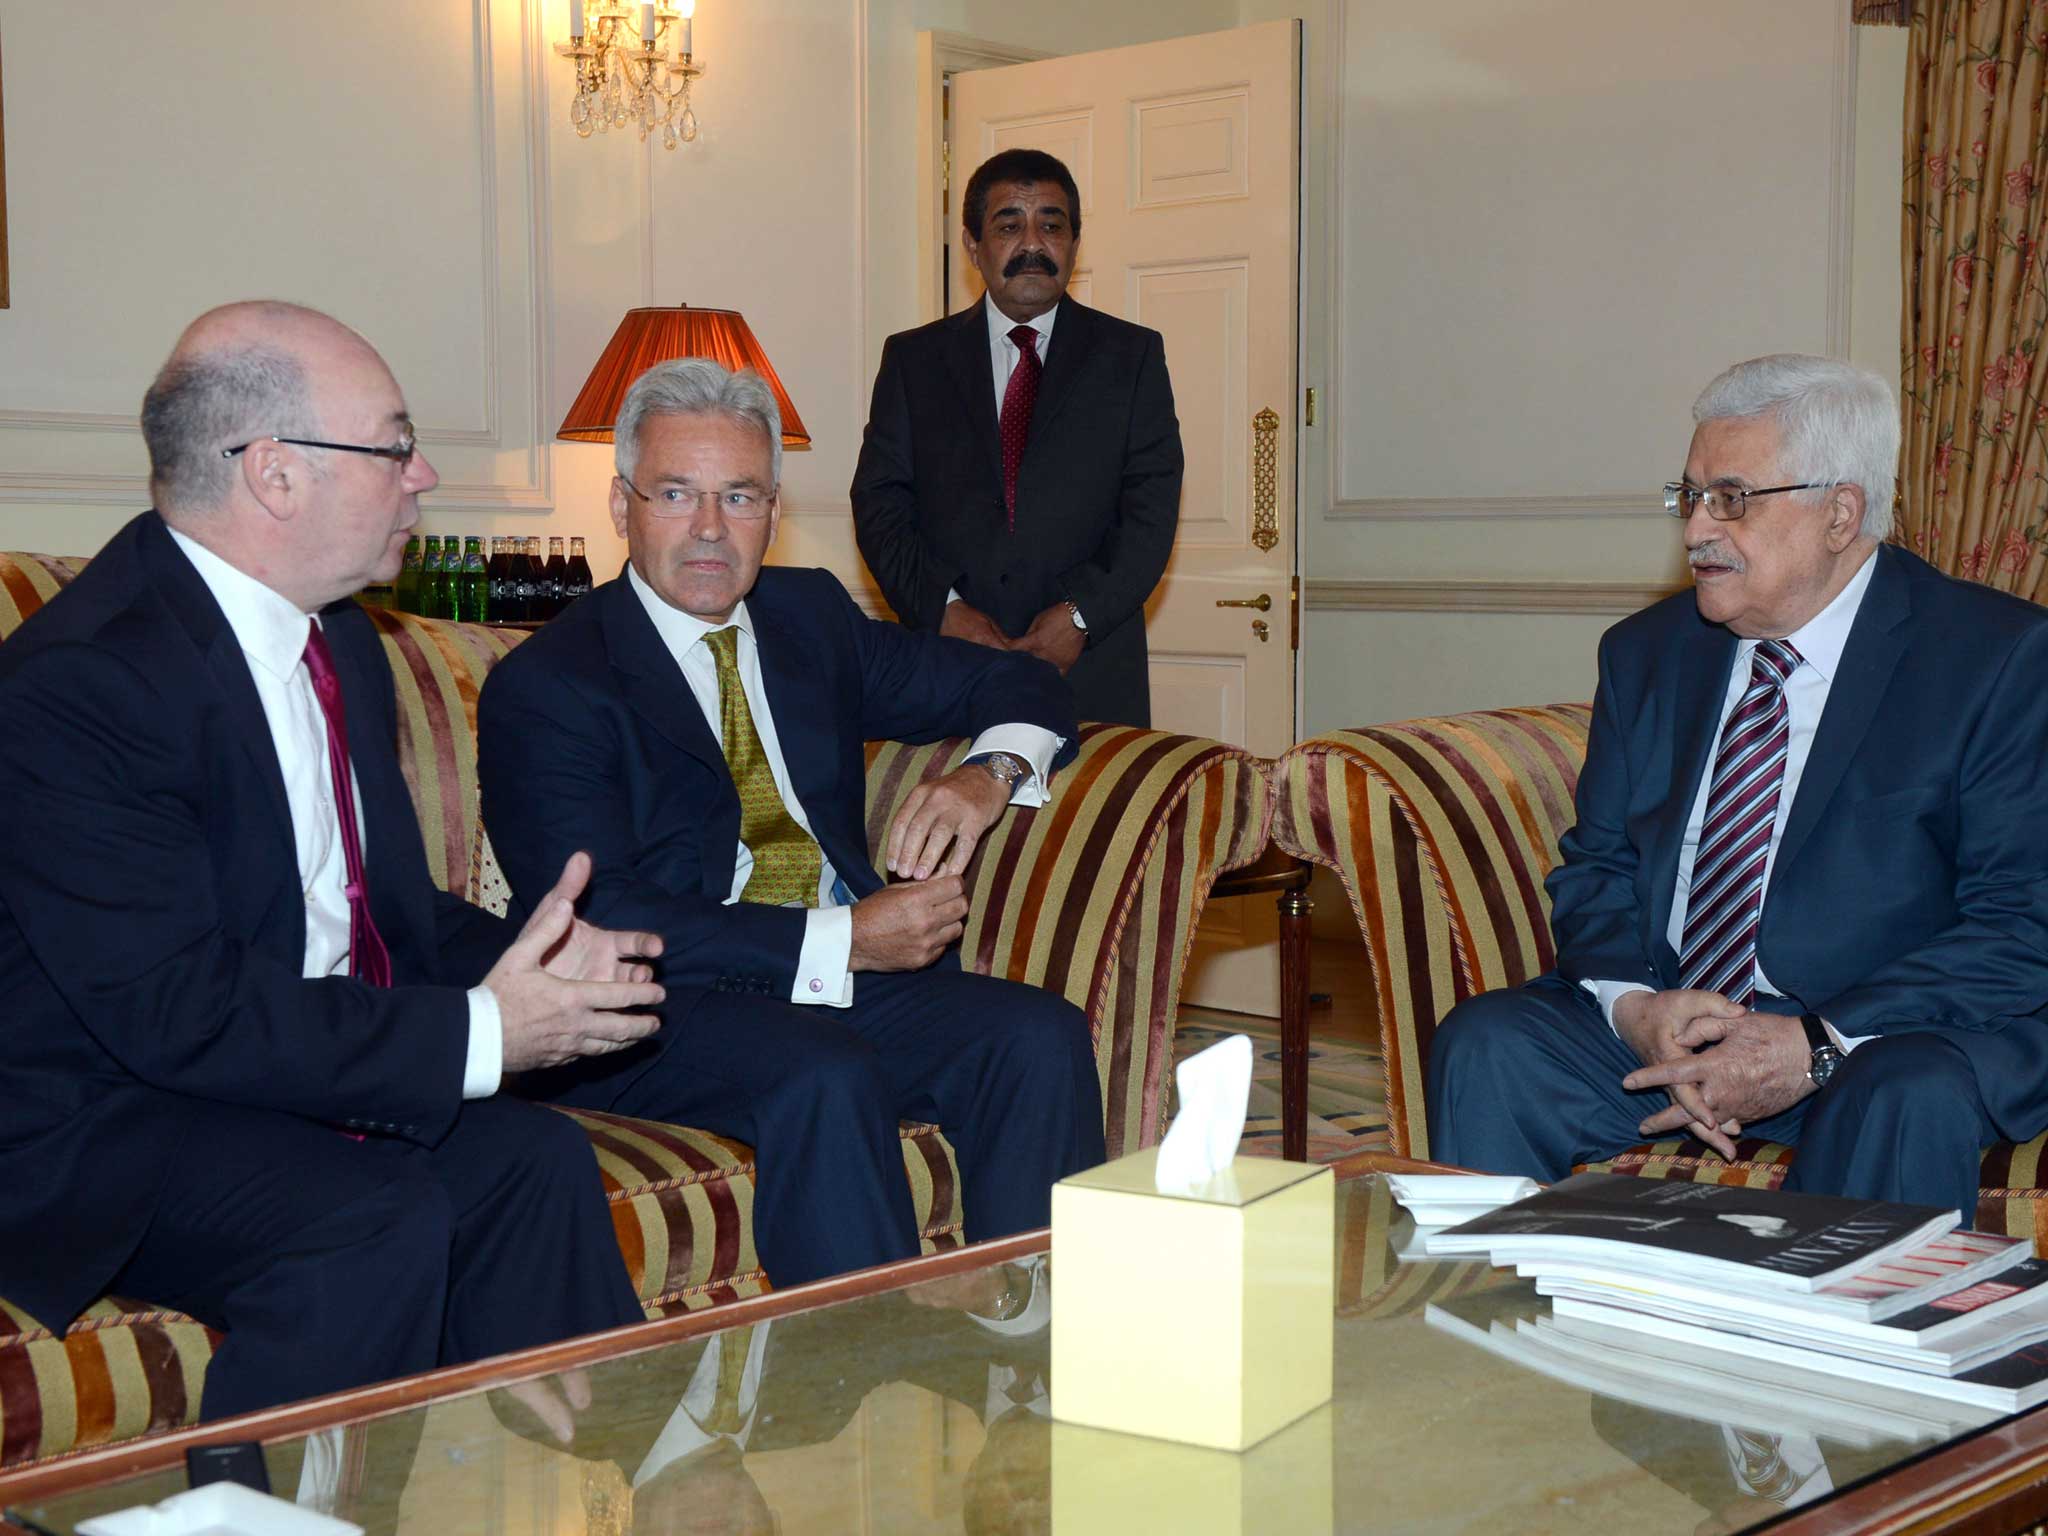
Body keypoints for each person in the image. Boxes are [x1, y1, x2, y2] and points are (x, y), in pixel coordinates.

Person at [0, 302, 668, 1420]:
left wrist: (542, 963)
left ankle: (593, 1482)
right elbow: (178, 1012)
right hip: (101, 1117)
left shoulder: (339, 637)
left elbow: (380, 913)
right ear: (274, 474)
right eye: (395, 444)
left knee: (530, 1161)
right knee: (373, 1215)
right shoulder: (82, 689)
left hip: (266, 1075)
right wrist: (484, 1031)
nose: (424, 474)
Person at [477, 358, 1106, 1289]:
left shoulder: (806, 616)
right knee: (825, 1072)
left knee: (1037, 1036)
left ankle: (1044, 1360)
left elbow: (1019, 679)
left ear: (774, 511)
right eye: (676, 493)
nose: (707, 528)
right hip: (657, 1009)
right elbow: (599, 913)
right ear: (622, 507)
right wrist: (843, 939)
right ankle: (868, 1384)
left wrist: (989, 774)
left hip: (838, 979)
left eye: (739, 497)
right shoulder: (554, 683)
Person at [1426, 353, 2048, 1224]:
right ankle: (1502, 1336)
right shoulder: (1649, 653)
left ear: (1840, 513)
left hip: (1884, 1033)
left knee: (1902, 1095)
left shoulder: (1995, 659)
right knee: (1490, 1044)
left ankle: (1834, 1359)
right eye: (1689, 497)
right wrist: (1638, 1009)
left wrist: (1813, 1046)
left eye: (1732, 498)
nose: (1695, 532)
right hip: (1685, 1019)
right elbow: (1597, 866)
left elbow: (2020, 923)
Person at [850, 147, 1184, 727]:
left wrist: (1079, 616)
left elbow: (1151, 512)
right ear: (974, 246)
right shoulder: (914, 360)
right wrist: (944, 609)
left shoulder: (1131, 357)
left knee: (1101, 819)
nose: (1032, 243)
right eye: (1009, 224)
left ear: (1074, 243)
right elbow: (880, 505)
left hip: (1092, 668)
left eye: (1051, 225)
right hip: (948, 666)